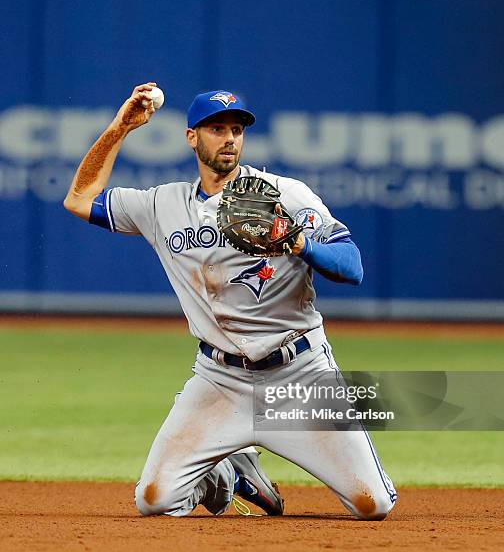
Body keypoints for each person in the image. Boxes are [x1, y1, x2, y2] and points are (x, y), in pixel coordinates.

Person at [64, 83, 397, 519]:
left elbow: (352, 266)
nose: (229, 138)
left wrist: (300, 246)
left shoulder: (284, 194)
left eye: (236, 129)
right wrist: (121, 127)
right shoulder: (164, 204)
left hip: (299, 375)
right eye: (217, 128)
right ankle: (229, 476)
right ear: (191, 137)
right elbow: (79, 199)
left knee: (373, 506)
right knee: (154, 501)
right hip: (219, 379)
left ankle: (250, 463)